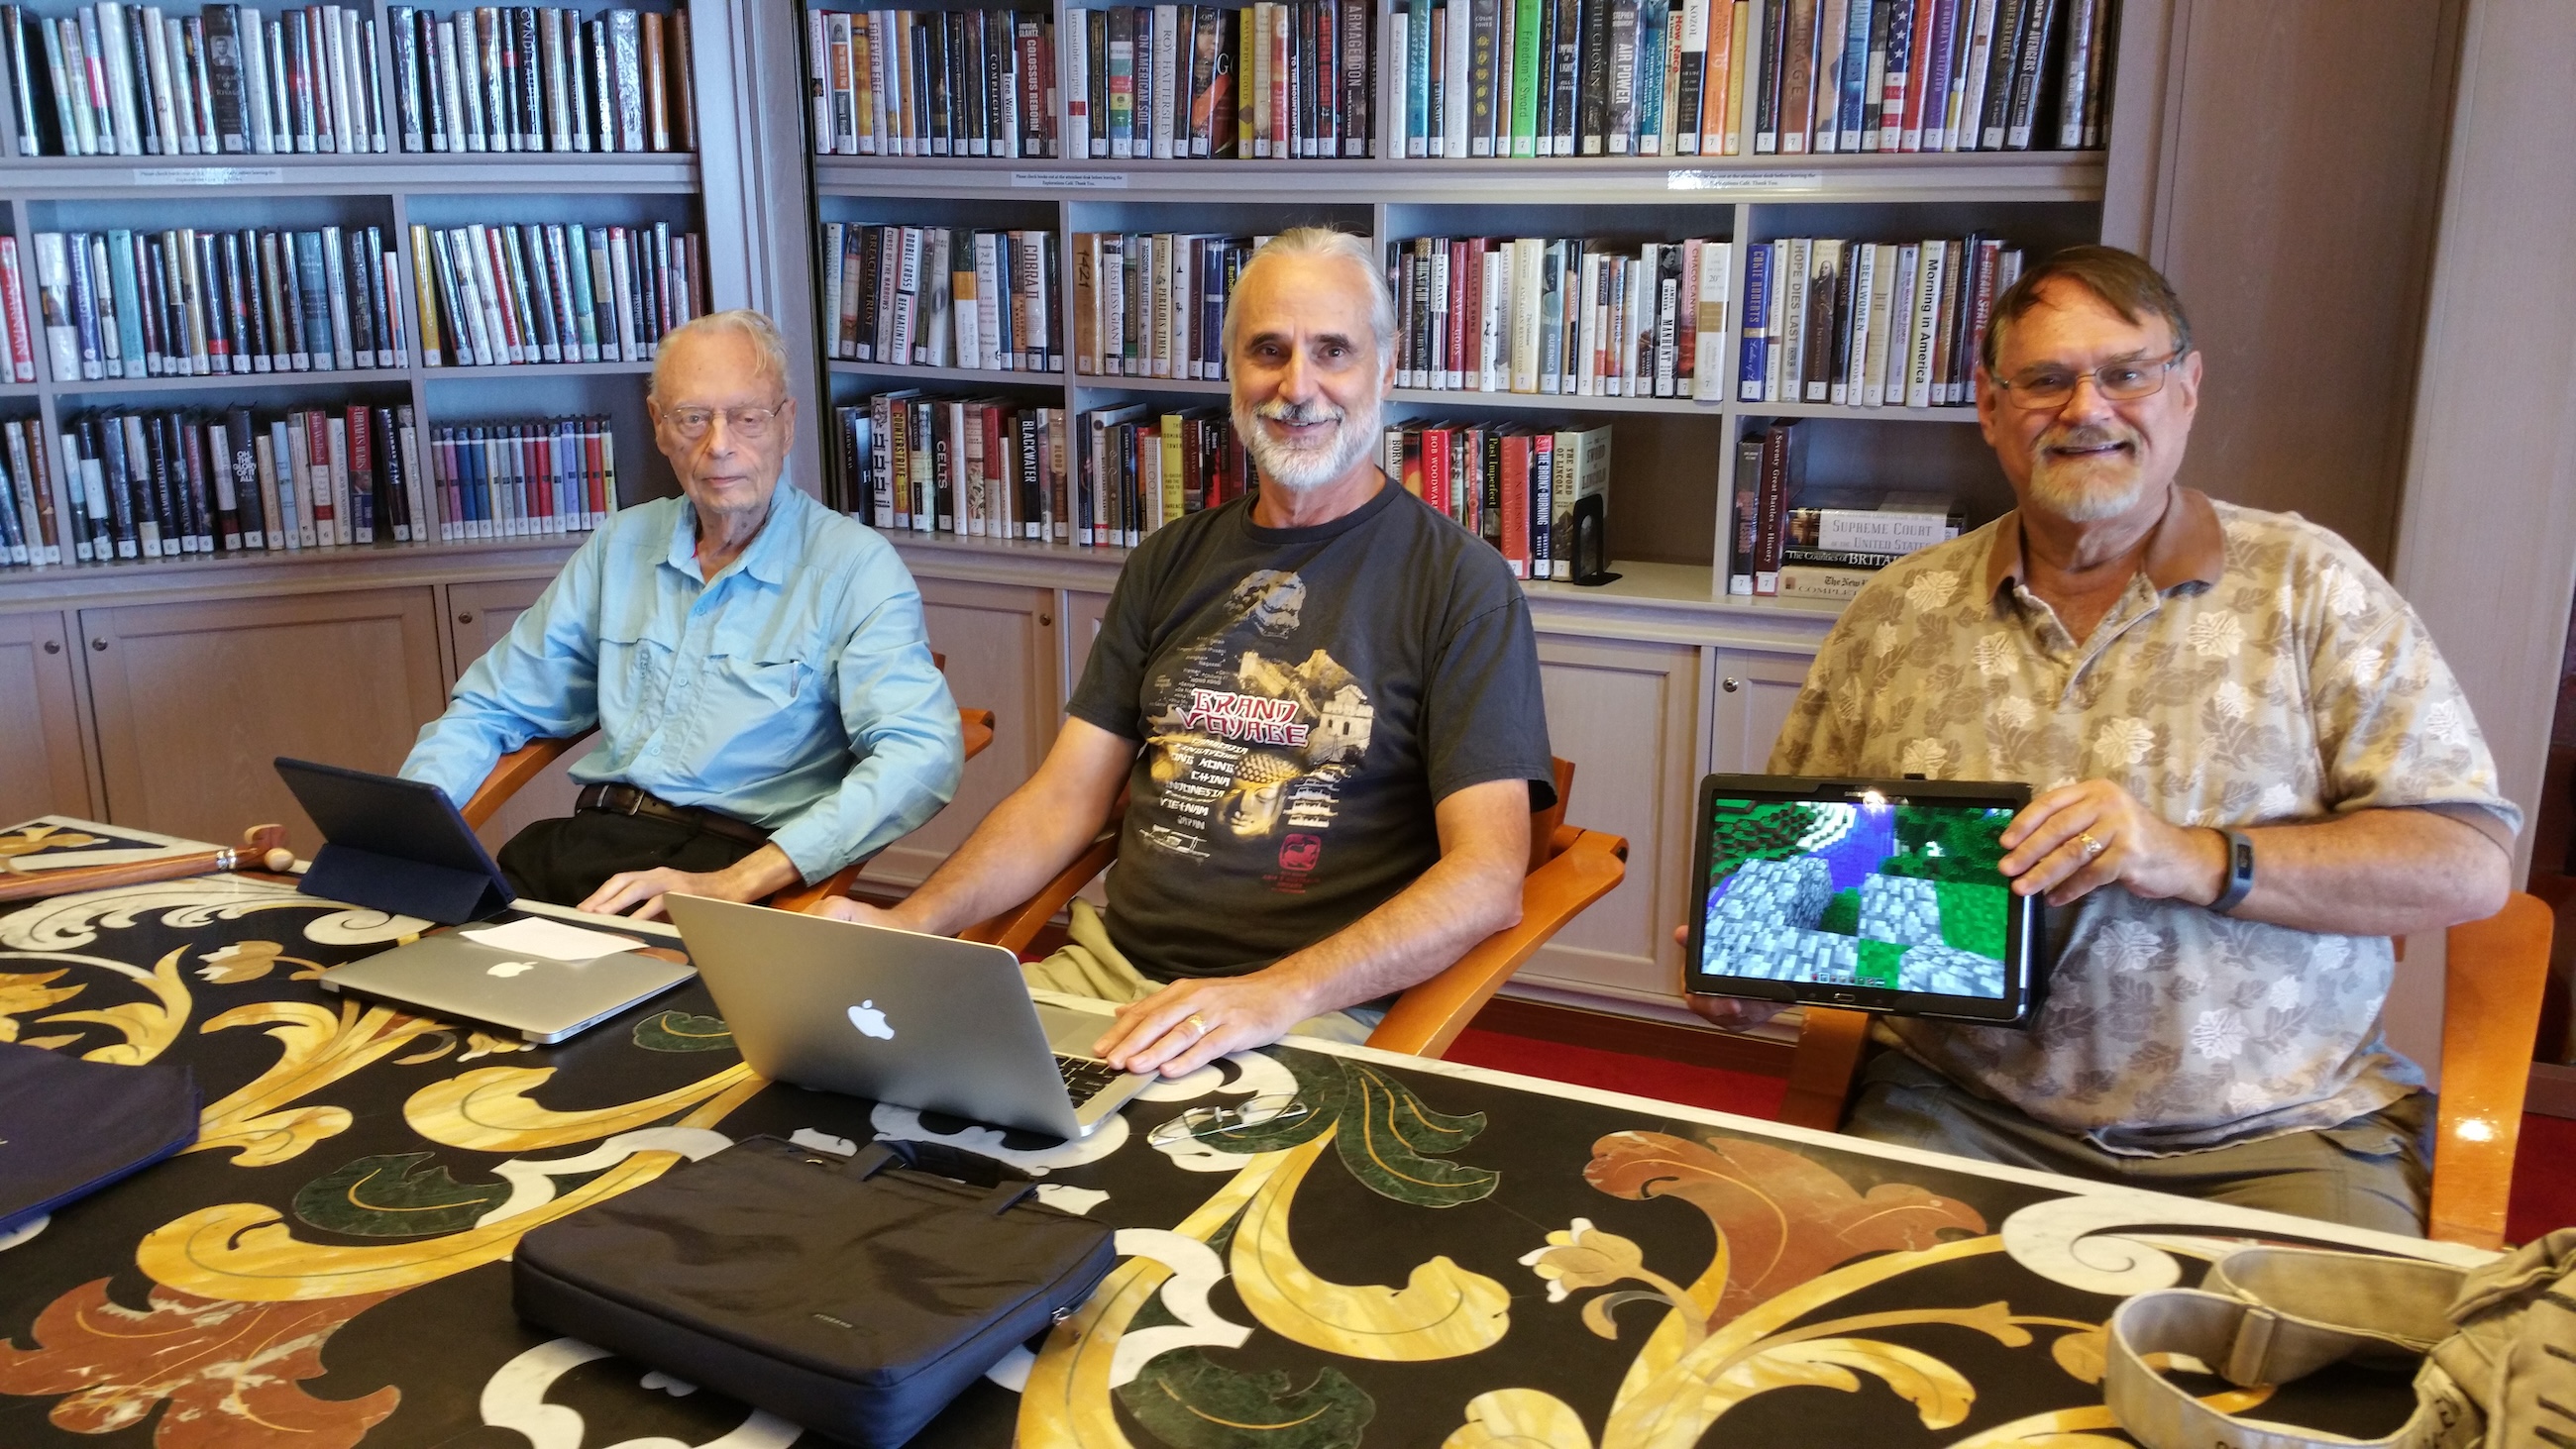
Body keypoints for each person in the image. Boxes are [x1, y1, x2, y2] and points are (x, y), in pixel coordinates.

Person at [1694, 246, 2518, 1235]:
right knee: (1805, 1329)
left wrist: (2189, 856)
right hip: (1959, 1108)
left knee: (2337, 1372)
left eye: (2124, 372)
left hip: (2273, 1128)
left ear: (2184, 389)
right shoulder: (1895, 612)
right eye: (2043, 380)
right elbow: (1812, 868)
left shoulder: (2311, 586)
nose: (2085, 408)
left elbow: (2464, 866)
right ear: (1990, 408)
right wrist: (1754, 965)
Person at [812, 227, 1556, 1078]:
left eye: (1333, 351)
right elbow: (1063, 800)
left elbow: (1488, 876)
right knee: (881, 1102)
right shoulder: (1169, 562)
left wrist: (1274, 992)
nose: (1297, 386)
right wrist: (913, 923)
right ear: (1233, 373)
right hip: (1106, 978)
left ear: (1385, 370)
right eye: (1267, 350)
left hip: (1311, 1007)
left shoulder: (1461, 585)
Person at [401, 308, 962, 919]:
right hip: (588, 844)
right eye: (694, 418)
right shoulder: (621, 546)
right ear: (660, 428)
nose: (720, 445)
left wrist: (741, 881)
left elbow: (921, 754)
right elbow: (492, 705)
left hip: (730, 865)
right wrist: (400, 835)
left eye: (747, 418)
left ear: (787, 423)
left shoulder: (854, 568)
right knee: (403, 959)